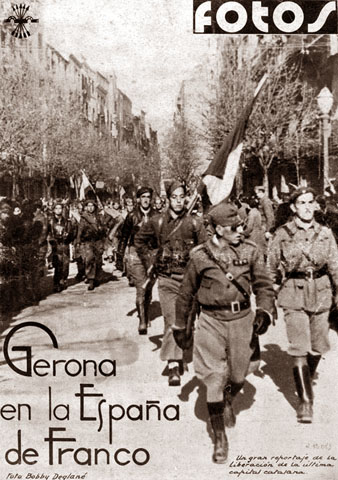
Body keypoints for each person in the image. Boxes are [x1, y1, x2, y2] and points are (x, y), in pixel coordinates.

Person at [173, 202, 275, 463]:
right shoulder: (200, 255)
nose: (241, 229)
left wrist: (264, 310)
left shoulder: (251, 251)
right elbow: (185, 294)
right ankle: (219, 438)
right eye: (234, 226)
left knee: (241, 372)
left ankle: (229, 397)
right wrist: (179, 325)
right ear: (218, 229)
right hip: (211, 321)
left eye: (241, 224)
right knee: (214, 378)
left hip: (242, 319)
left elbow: (263, 285)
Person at [267, 186, 338, 423]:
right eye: (302, 203)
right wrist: (267, 300)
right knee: (299, 346)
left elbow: (336, 267)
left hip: (321, 291)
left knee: (318, 346)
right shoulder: (282, 234)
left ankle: (304, 377)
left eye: (310, 203)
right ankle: (305, 401)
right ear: (294, 207)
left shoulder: (326, 234)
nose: (307, 207)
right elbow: (270, 268)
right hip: (293, 292)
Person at [135, 180, 205, 386]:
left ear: (186, 198)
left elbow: (205, 250)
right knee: (171, 318)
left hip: (188, 280)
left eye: (181, 197)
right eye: (173, 197)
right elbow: (139, 241)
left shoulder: (194, 223)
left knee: (186, 320)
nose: (177, 201)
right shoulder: (157, 222)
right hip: (166, 279)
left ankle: (183, 348)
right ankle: (174, 363)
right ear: (168, 199)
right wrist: (150, 260)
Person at [117, 187, 156, 333]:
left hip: (151, 254)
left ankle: (145, 311)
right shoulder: (132, 216)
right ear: (138, 199)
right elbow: (124, 237)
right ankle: (142, 320)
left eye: (148, 197)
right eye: (143, 197)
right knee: (141, 287)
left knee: (149, 287)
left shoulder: (157, 215)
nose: (146, 199)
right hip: (135, 253)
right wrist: (120, 257)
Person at [76, 200, 106, 291]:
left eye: (92, 206)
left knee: (98, 260)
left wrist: (102, 230)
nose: (90, 208)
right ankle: (91, 279)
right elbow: (80, 230)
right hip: (88, 241)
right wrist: (78, 241)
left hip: (98, 241)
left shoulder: (99, 217)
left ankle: (97, 277)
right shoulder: (84, 218)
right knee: (89, 259)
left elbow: (104, 228)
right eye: (88, 206)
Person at [47, 200, 73, 293]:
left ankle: (64, 280)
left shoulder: (67, 221)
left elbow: (71, 233)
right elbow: (47, 233)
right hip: (55, 245)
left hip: (64, 245)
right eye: (56, 208)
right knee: (57, 264)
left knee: (65, 264)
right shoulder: (50, 221)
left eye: (60, 208)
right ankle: (57, 283)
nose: (58, 210)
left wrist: (67, 236)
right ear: (53, 210)